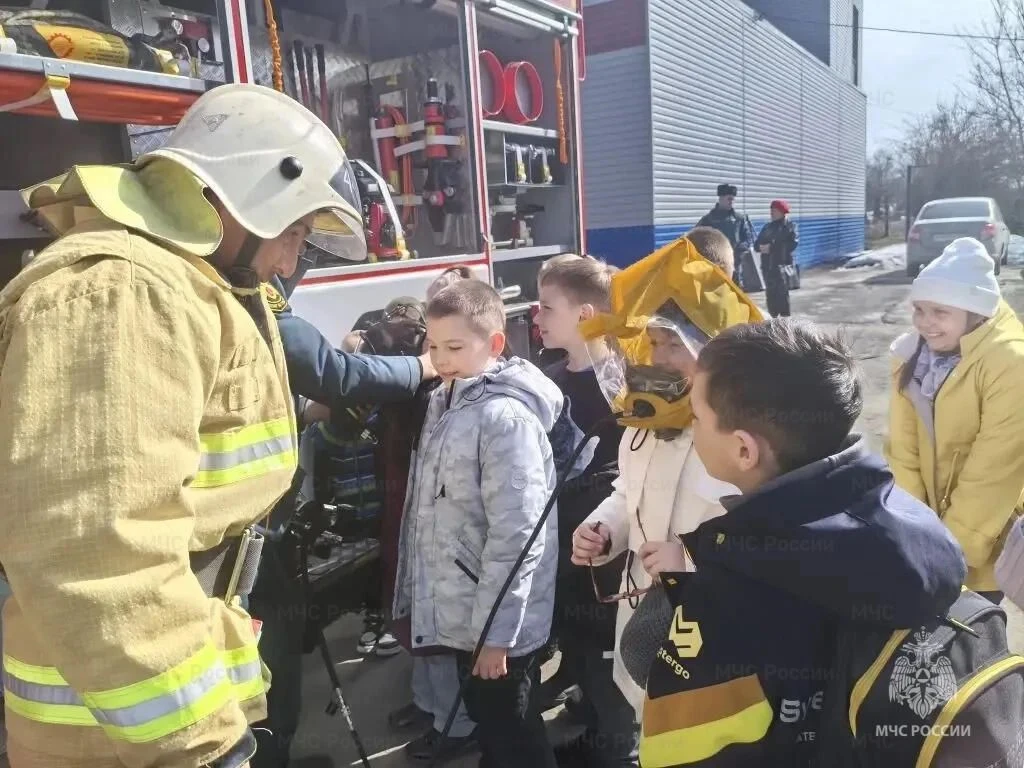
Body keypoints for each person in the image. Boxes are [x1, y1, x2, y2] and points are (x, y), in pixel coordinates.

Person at [0, 83, 367, 767]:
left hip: (138, 712)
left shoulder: (185, 285)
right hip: (114, 735)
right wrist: (202, 746)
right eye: (295, 232)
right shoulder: (125, 296)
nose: (289, 263)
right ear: (246, 198)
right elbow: (100, 552)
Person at [634, 319, 965, 767]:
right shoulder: (917, 526)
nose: (692, 428)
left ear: (745, 451)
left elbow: (683, 742)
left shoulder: (735, 584)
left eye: (696, 417)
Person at [569, 236, 744, 716]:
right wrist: (605, 531)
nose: (659, 358)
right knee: (652, 722)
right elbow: (630, 488)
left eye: (675, 345)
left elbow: (767, 533)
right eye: (655, 343)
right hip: (646, 625)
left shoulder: (743, 432)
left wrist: (689, 557)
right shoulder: (648, 420)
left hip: (710, 632)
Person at [392, 279, 562, 768]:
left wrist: (496, 636)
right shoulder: (447, 399)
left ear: (494, 344)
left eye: (455, 347)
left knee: (514, 728)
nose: (441, 359)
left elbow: (517, 536)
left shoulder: (505, 418)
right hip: (469, 613)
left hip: (498, 626)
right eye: (432, 346)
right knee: (494, 723)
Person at [534, 255, 635, 766]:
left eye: (547, 307)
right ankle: (594, 728)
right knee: (576, 638)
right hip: (561, 536)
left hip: (606, 544)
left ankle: (619, 749)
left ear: (585, 314)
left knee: (607, 646)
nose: (537, 316)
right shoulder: (546, 378)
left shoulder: (622, 387)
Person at [886, 237, 1024, 603]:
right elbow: (903, 452)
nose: (925, 324)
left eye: (940, 312)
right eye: (919, 309)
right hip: (927, 542)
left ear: (973, 311)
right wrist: (911, 534)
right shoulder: (909, 356)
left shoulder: (1011, 363)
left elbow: (993, 472)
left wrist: (950, 555)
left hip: (984, 540)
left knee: (972, 640)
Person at [697, 183, 756, 287]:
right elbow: (696, 238)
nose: (731, 202)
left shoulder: (739, 219)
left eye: (733, 199)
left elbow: (748, 239)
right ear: (721, 199)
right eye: (729, 199)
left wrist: (738, 251)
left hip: (735, 267)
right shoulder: (708, 219)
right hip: (715, 268)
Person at [754, 200, 799, 317]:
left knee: (783, 298)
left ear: (782, 212)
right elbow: (756, 245)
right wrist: (761, 247)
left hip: (782, 268)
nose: (771, 213)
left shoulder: (789, 226)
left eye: (774, 211)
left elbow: (792, 244)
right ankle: (772, 324)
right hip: (768, 268)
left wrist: (772, 247)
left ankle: (785, 325)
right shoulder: (767, 227)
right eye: (771, 210)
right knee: (770, 298)